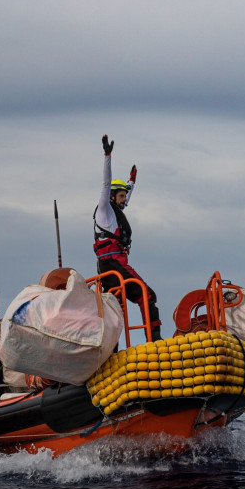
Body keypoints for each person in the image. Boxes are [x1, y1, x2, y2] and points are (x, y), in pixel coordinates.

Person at [94, 134, 162, 340]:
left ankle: (113, 347)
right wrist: (107, 155)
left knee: (117, 306)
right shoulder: (104, 209)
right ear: (113, 196)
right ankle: (154, 341)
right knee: (147, 295)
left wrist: (132, 181)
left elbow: (126, 193)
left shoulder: (116, 211)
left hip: (109, 265)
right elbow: (106, 184)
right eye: (121, 196)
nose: (125, 200)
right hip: (113, 262)